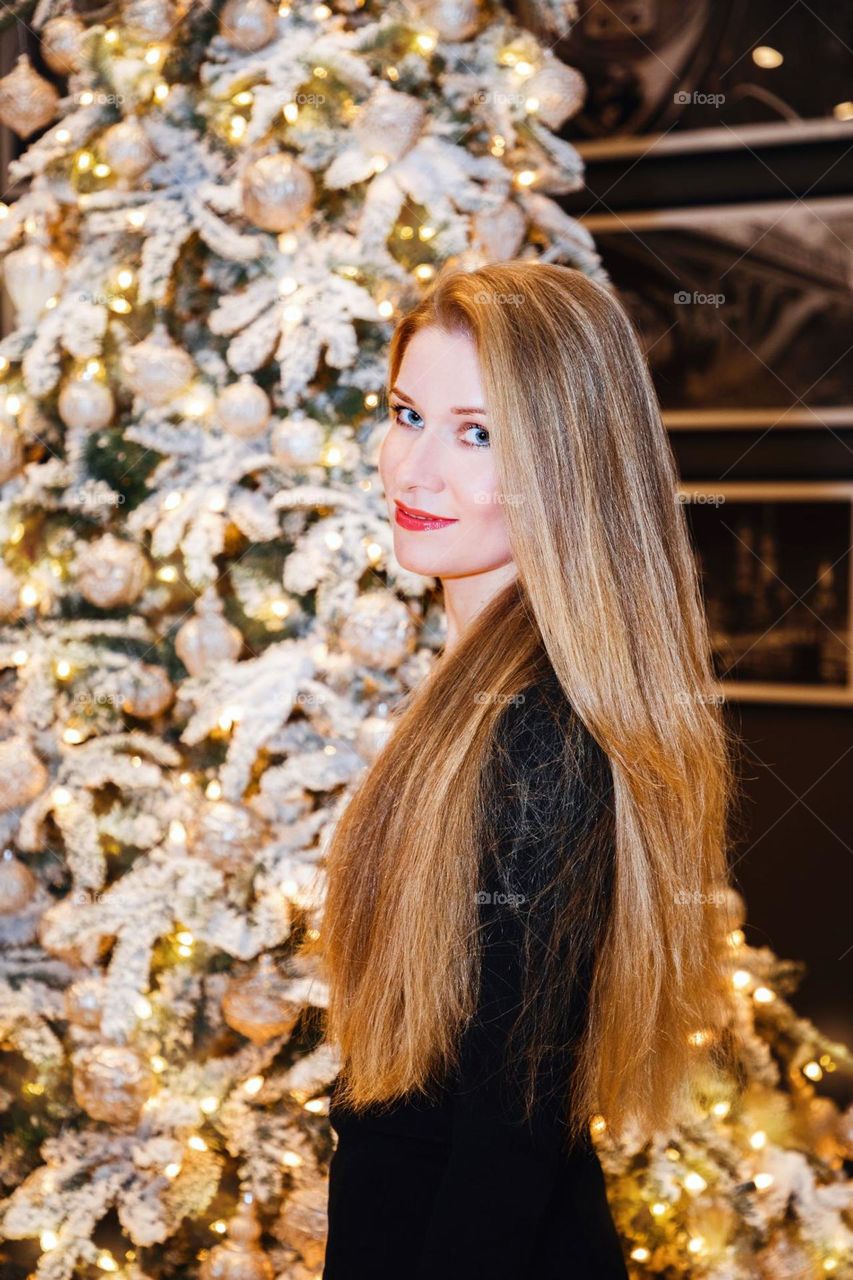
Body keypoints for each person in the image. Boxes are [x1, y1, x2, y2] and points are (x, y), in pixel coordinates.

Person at [316, 260, 738, 1278]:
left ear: (568, 460)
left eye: (477, 433)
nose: (413, 470)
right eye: (407, 412)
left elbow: (508, 1135)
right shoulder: (488, 690)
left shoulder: (540, 728)